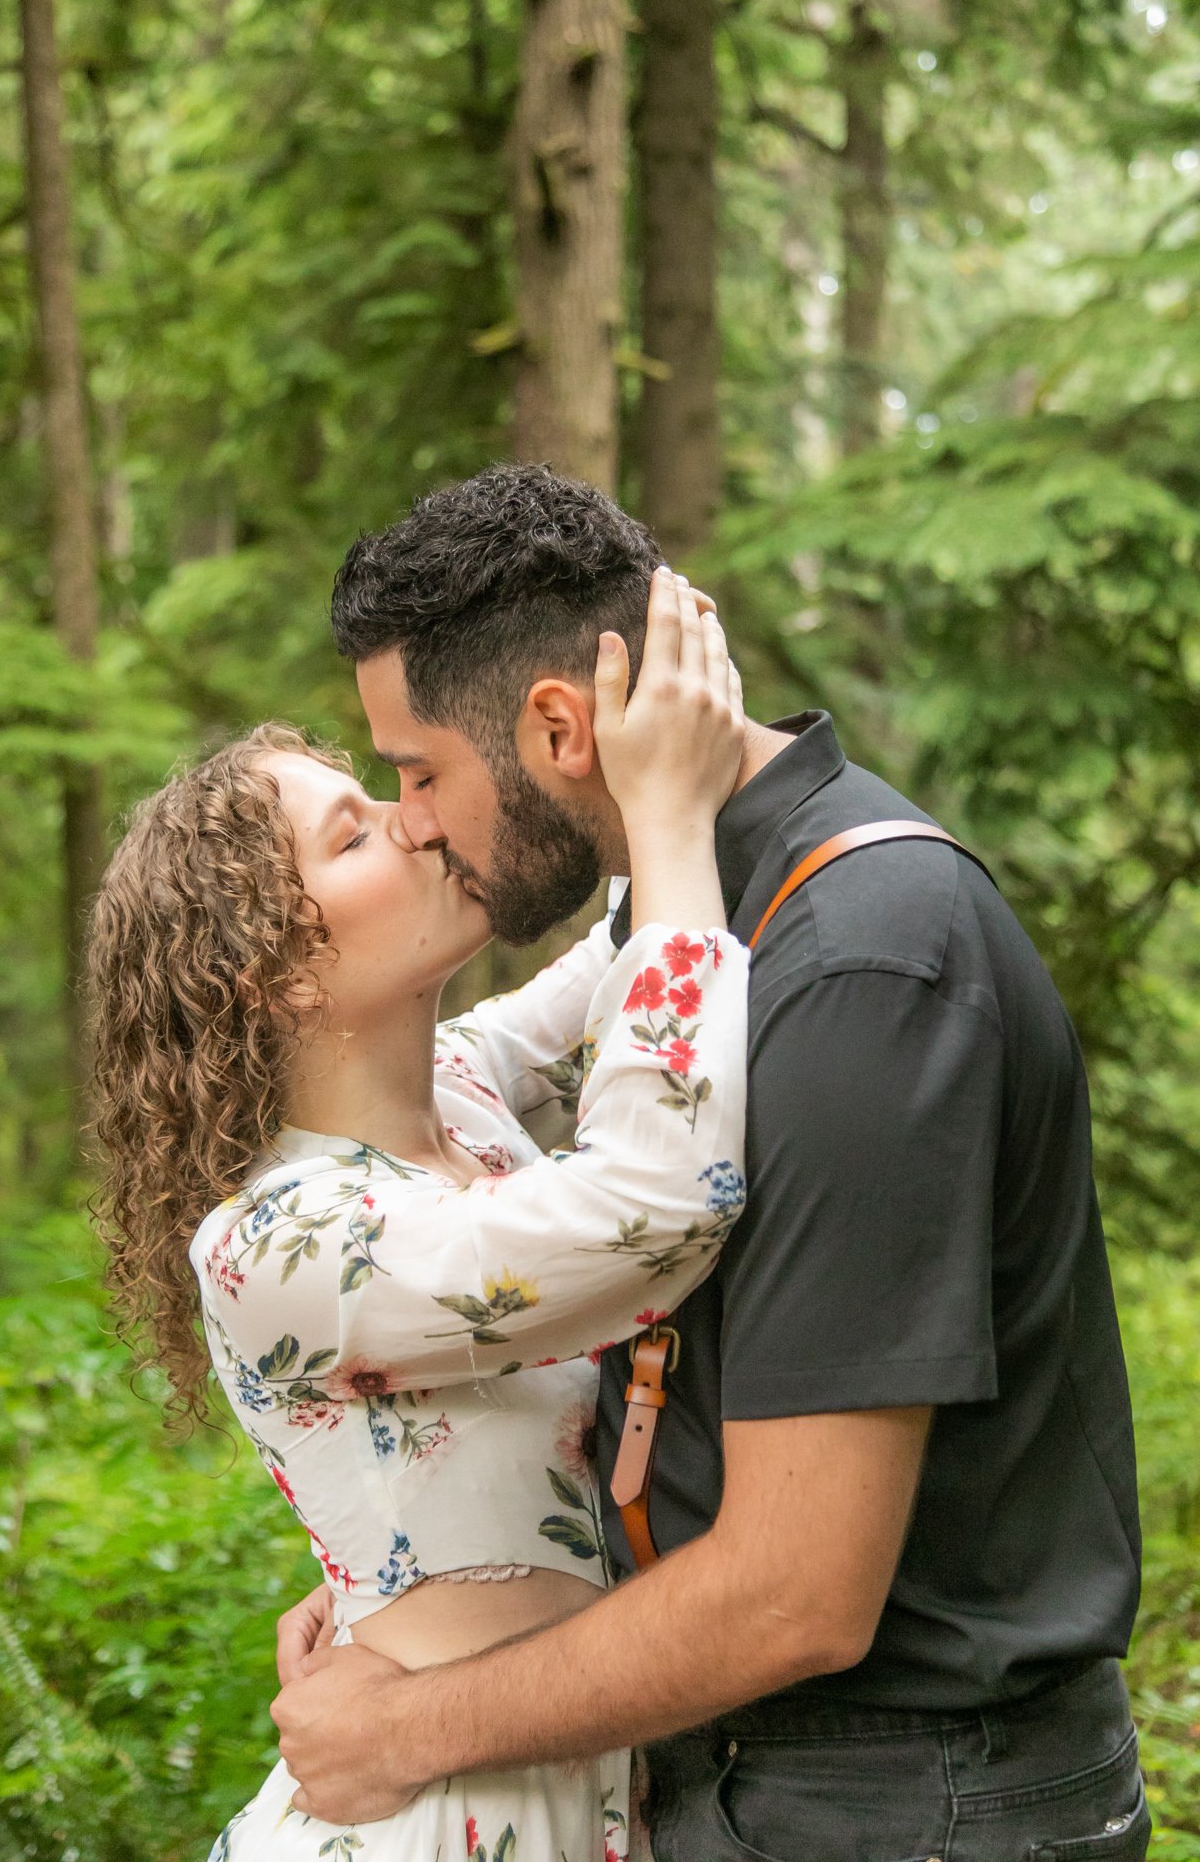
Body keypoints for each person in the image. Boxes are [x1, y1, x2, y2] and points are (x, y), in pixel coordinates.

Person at [271, 463, 1149, 1862]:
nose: (416, 818)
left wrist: (410, 1723)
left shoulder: (859, 959)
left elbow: (794, 1594)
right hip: (764, 1774)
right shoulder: (698, 917)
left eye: (418, 770)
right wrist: (420, 1582)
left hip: (898, 1802)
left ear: (558, 727)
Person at [86, 569, 751, 1861]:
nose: (415, 821)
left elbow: (636, 944)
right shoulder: (278, 1242)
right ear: (268, 975)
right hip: (429, 1817)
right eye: (352, 833)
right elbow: (658, 1200)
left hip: (547, 1774)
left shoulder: (454, 1090)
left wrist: (637, 701)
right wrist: (667, 821)